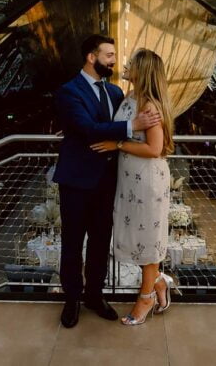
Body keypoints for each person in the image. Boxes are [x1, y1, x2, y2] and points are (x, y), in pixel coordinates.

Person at [53, 34, 161, 329]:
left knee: (101, 242)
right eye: (110, 55)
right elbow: (88, 128)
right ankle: (72, 299)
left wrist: (129, 134)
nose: (115, 60)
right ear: (92, 57)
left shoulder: (115, 92)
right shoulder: (69, 91)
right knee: (73, 243)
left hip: (107, 181)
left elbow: (127, 136)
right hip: (76, 180)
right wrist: (131, 125)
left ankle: (94, 295)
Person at [92, 48, 178, 326]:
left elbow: (155, 148)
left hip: (147, 183)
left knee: (148, 240)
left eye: (132, 63)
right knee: (138, 236)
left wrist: (116, 144)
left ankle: (146, 298)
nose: (126, 65)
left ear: (143, 71)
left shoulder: (149, 105)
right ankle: (160, 281)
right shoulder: (129, 97)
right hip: (131, 182)